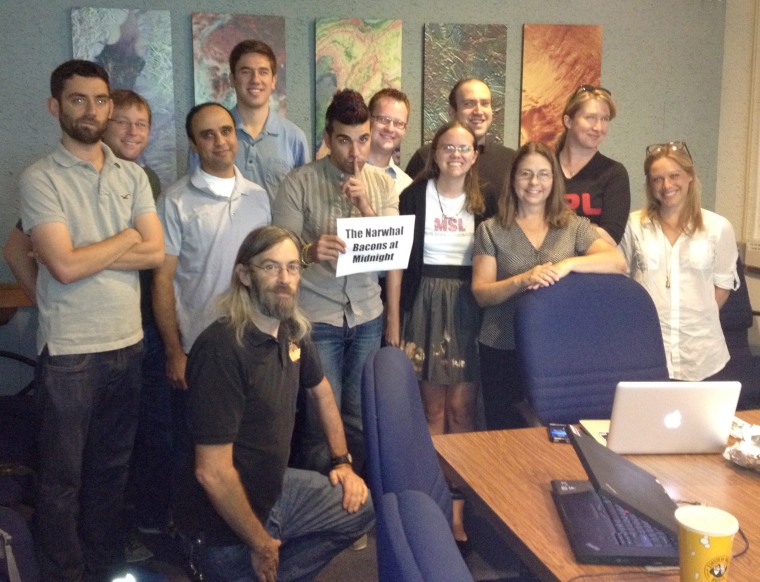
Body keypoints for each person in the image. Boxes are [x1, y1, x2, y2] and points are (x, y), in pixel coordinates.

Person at [18, 59, 164, 580]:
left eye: (101, 100)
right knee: (62, 479)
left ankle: (104, 563)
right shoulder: (40, 178)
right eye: (78, 99)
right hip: (70, 353)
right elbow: (62, 264)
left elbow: (155, 253)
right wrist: (126, 236)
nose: (92, 110)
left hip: (128, 343)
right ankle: (64, 571)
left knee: (111, 470)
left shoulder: (133, 175)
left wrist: (92, 251)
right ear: (55, 107)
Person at [176, 225, 374, 581]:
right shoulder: (222, 348)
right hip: (225, 526)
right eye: (270, 267)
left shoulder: (292, 330)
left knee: (358, 508)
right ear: (244, 276)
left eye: (293, 267)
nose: (284, 278)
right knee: (247, 555)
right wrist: (260, 543)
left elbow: (322, 393)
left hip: (274, 491)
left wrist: (342, 463)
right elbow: (213, 473)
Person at [273, 89, 398, 475]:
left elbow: (392, 247)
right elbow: (280, 253)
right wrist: (309, 251)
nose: (355, 152)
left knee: (360, 417)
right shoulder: (299, 182)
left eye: (363, 139)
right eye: (344, 140)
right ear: (328, 138)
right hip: (316, 316)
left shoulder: (383, 183)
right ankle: (320, 512)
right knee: (317, 421)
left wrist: (364, 205)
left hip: (366, 315)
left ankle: (354, 507)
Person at [471, 141, 627, 430]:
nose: (534, 182)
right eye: (526, 174)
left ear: (554, 181)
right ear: (513, 179)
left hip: (557, 349)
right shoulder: (490, 230)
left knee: (554, 435)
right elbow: (481, 293)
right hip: (502, 347)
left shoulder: (574, 226)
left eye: (544, 174)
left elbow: (617, 262)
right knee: (505, 436)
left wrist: (567, 265)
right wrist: (523, 279)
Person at [385, 120, 485, 550]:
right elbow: (396, 261)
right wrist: (393, 317)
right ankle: (434, 506)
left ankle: (460, 507)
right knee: (430, 410)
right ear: (435, 151)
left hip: (467, 305)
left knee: (463, 409)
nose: (456, 154)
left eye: (464, 148)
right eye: (448, 146)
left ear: (474, 155)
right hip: (422, 302)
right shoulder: (412, 195)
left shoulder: (488, 200)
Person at [153, 102, 271, 393]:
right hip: (199, 346)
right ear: (193, 144)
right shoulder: (173, 201)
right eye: (207, 135)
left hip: (255, 339)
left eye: (226, 131)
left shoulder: (259, 197)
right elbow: (162, 280)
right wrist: (174, 352)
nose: (220, 141)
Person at [620, 141, 738, 381]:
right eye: (657, 179)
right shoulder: (632, 226)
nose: (667, 185)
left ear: (690, 177)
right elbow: (621, 282)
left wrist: (695, 320)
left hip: (702, 355)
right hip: (647, 349)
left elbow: (723, 286)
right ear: (649, 184)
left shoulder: (718, 228)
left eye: (675, 176)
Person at [187, 39, 310, 203]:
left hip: (277, 229)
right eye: (246, 72)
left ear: (273, 81)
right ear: (232, 79)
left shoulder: (294, 138)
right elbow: (191, 195)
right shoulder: (209, 136)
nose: (255, 80)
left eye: (263, 72)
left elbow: (304, 201)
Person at [405, 78, 516, 216]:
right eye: (469, 104)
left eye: (485, 103)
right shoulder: (424, 157)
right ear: (452, 112)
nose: (479, 111)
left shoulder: (511, 160)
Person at [556, 84, 630, 245]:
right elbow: (528, 226)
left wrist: (554, 224)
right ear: (568, 121)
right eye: (590, 117)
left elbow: (611, 238)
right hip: (543, 266)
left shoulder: (614, 173)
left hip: (591, 267)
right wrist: (591, 229)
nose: (598, 127)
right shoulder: (544, 167)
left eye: (604, 119)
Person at [367, 88, 413, 194]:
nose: (390, 129)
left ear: (405, 130)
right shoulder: (344, 172)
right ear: (368, 120)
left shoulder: (407, 187)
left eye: (398, 123)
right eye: (383, 119)